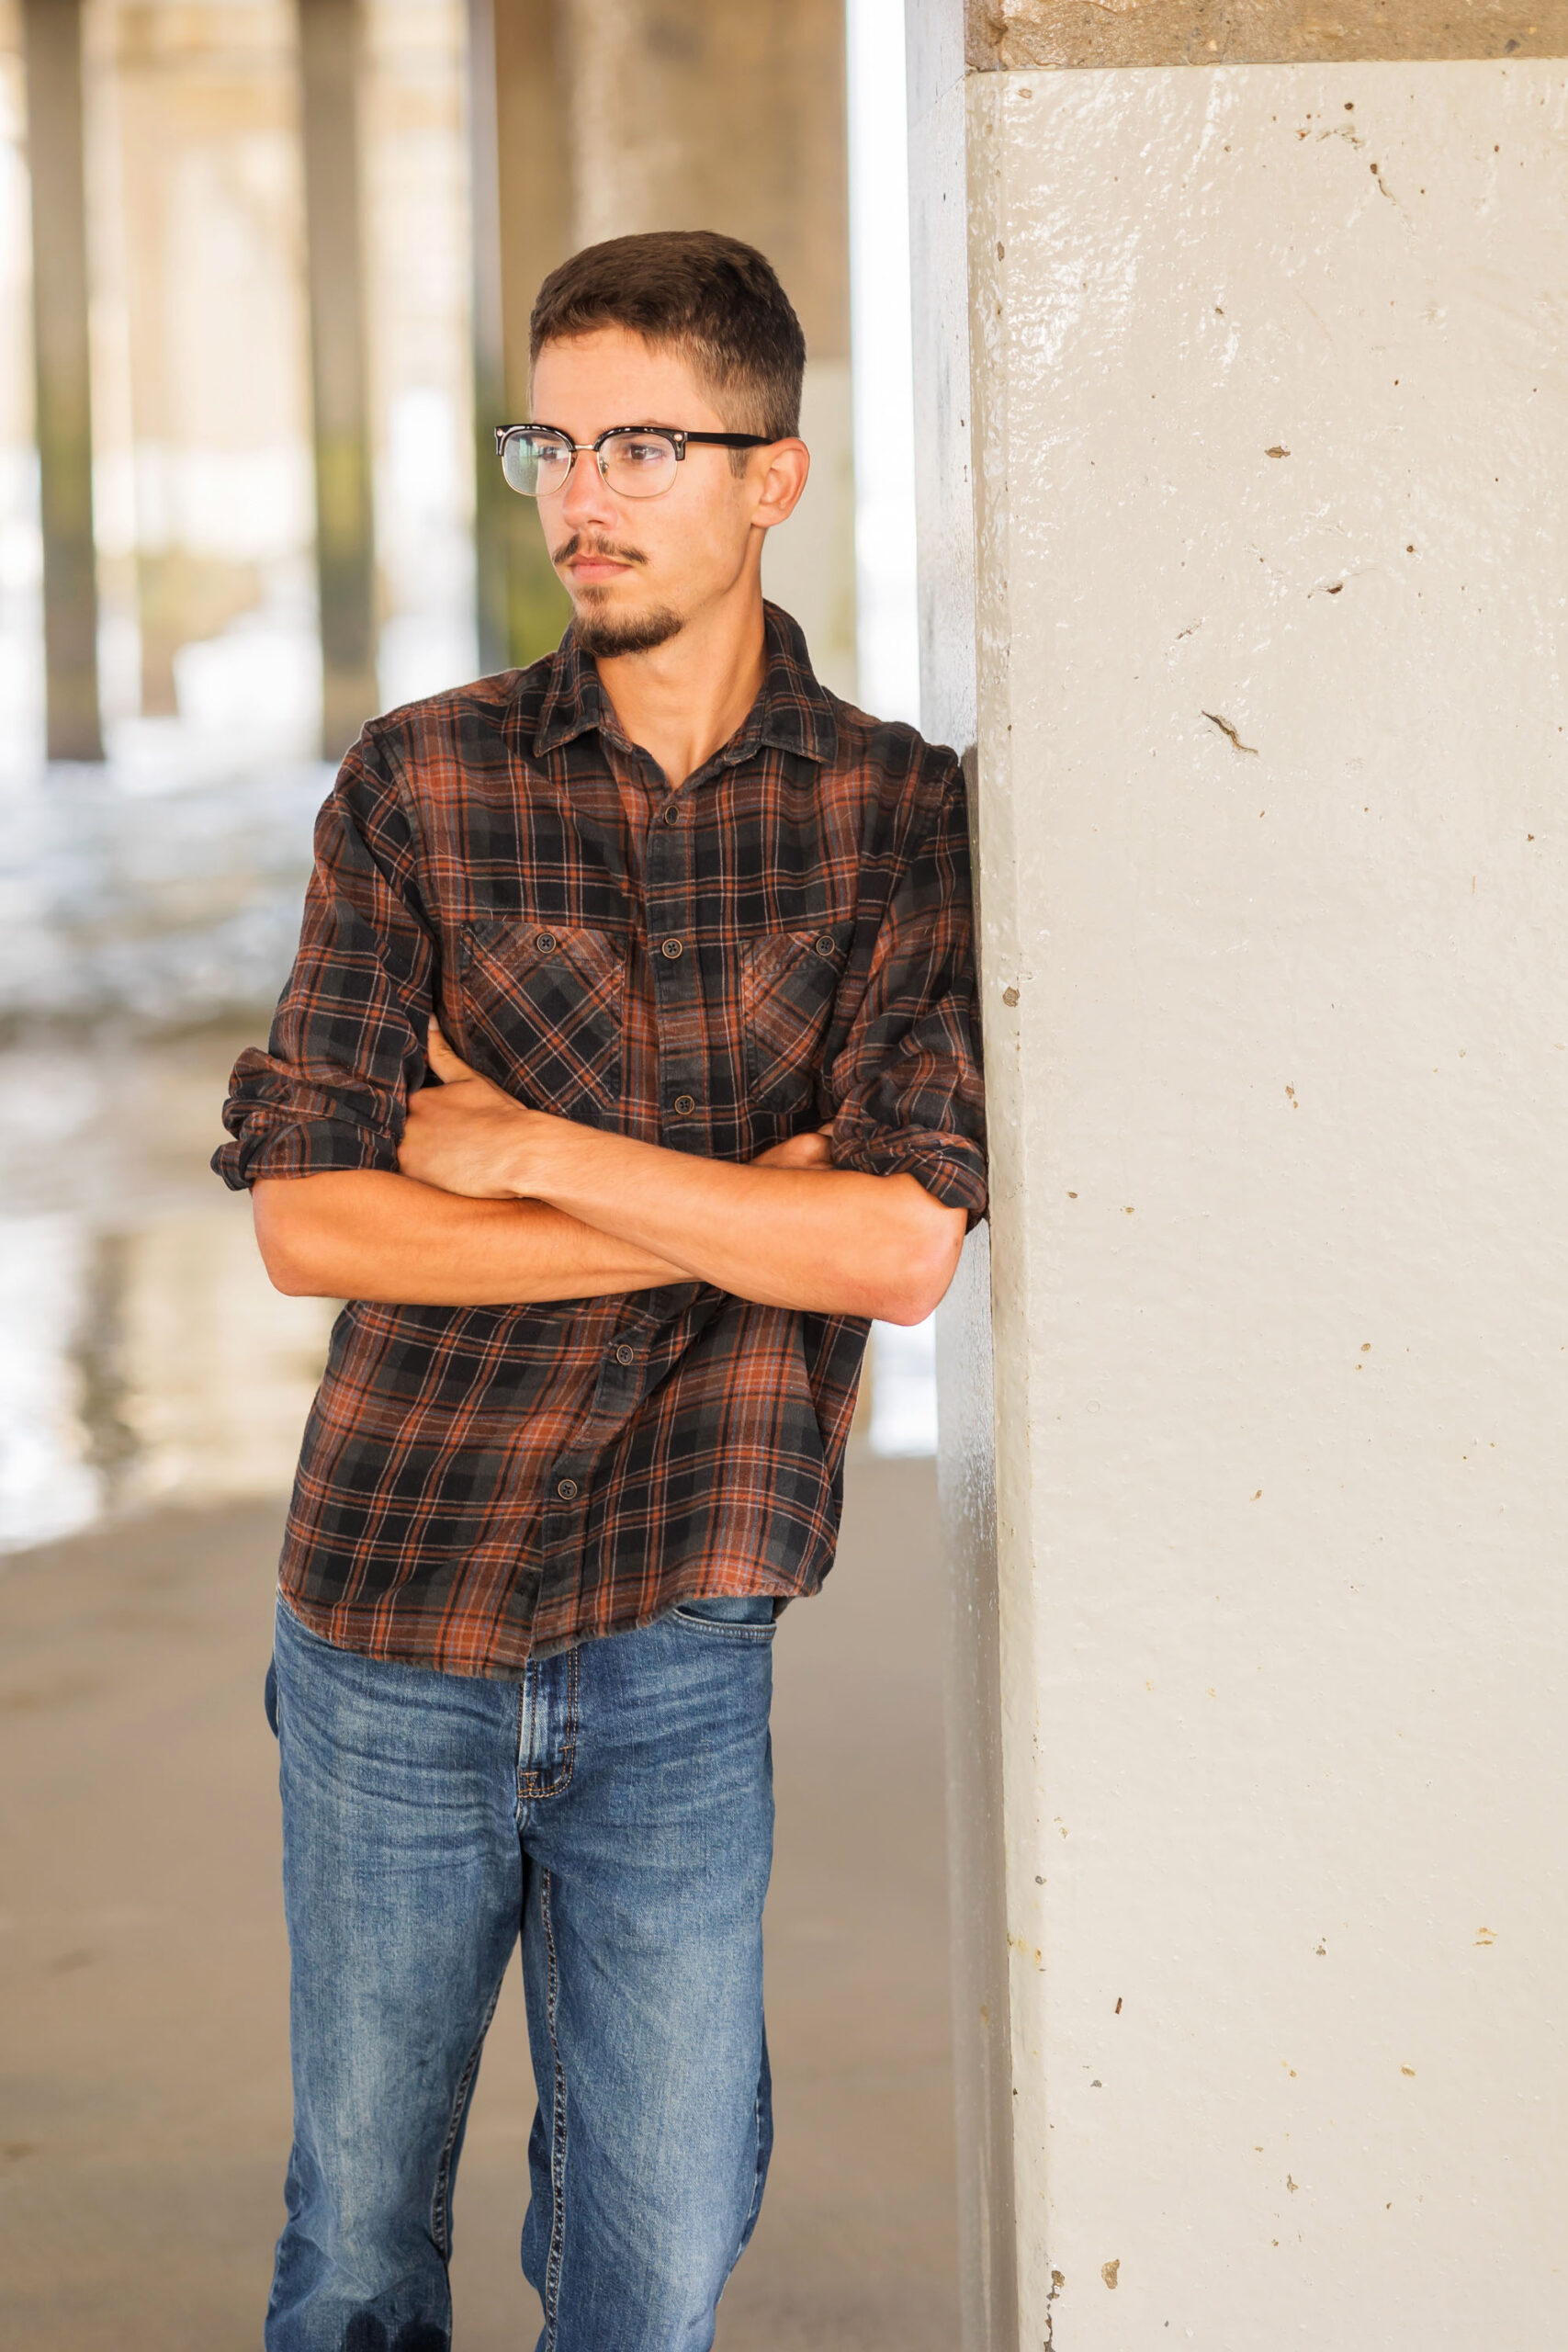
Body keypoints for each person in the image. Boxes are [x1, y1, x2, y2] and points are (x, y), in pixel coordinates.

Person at [215, 228, 986, 2352]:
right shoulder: (422, 780)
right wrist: (738, 1203)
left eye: (644, 440)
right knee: (356, 2247)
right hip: (387, 1603)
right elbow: (313, 1224)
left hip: (675, 1624)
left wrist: (530, 1149)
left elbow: (897, 1246)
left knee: (648, 2263)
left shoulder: (902, 823)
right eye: (548, 441)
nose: (583, 492)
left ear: (774, 476)